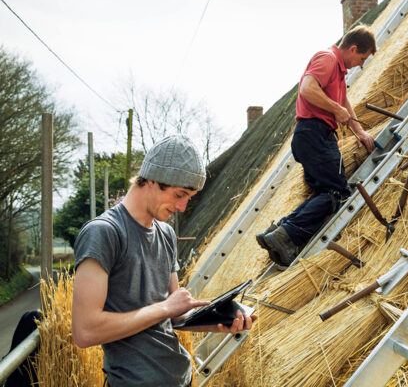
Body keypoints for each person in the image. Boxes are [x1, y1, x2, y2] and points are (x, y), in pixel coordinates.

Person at [72, 135, 257, 387]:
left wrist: (218, 321)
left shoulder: (166, 234)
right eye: (179, 194)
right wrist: (166, 308)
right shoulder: (103, 232)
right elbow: (85, 331)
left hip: (181, 377)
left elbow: (175, 317)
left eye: (188, 197)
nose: (182, 207)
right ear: (150, 179)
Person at [257, 25, 377, 267]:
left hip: (313, 135)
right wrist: (336, 110)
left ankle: (279, 230)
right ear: (353, 49)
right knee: (338, 192)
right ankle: (287, 235)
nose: (361, 64)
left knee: (323, 192)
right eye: (361, 58)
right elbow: (307, 89)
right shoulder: (328, 58)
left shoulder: (339, 72)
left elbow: (343, 101)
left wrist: (359, 131)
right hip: (314, 133)